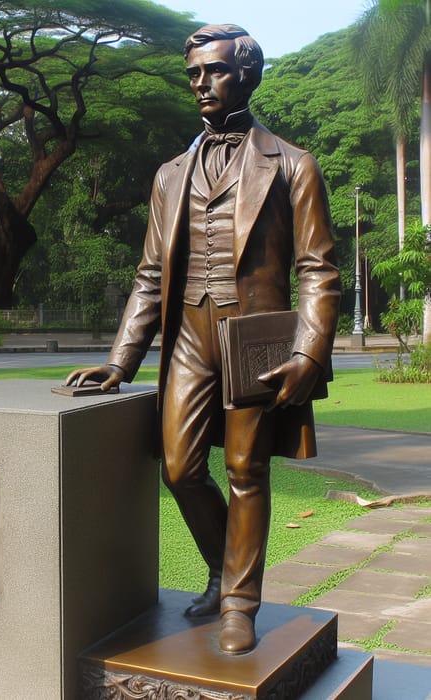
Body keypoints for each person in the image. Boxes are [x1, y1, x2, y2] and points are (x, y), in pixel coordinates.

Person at [66, 24, 340, 655]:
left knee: (247, 468)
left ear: (246, 73)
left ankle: (240, 602)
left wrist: (308, 350)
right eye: (193, 73)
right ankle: (223, 570)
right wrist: (119, 361)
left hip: (256, 340)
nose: (200, 83)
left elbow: (318, 268)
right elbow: (150, 274)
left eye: (213, 70)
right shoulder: (170, 174)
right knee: (180, 469)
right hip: (188, 335)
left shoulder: (293, 164)